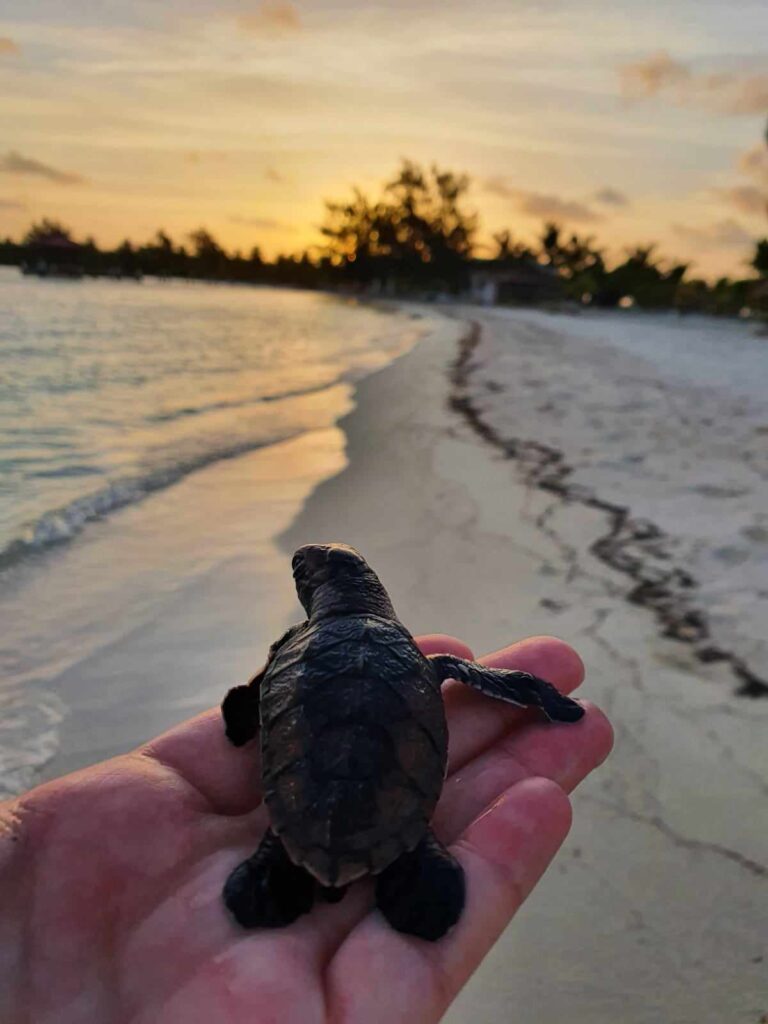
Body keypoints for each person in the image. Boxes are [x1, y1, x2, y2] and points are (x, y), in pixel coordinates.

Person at [0, 633, 612, 1023]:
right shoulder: (411, 652)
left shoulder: (296, 645)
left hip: (298, 807)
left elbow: (250, 706)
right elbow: (465, 673)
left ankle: (287, 861)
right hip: (400, 803)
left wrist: (243, 725)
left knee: (267, 889)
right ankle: (398, 857)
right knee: (425, 906)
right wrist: (543, 699)